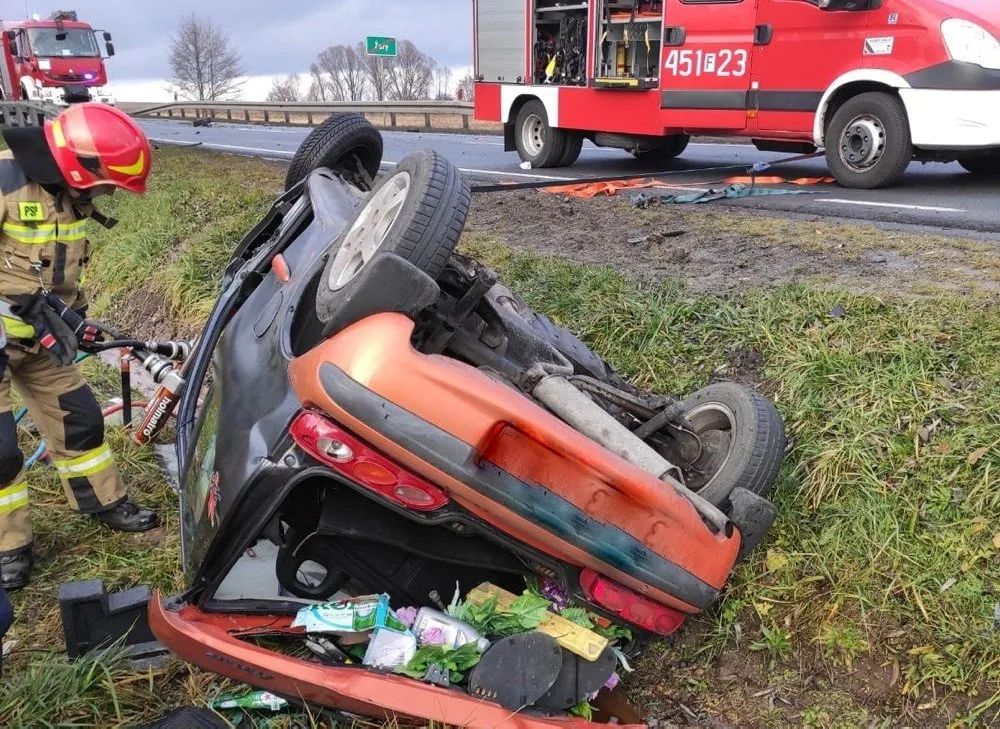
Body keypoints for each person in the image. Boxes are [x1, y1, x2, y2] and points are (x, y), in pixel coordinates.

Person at [0, 103, 158, 591]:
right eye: (106, 182)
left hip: (42, 340)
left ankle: (101, 501)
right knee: (1, 453)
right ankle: (9, 548)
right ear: (78, 165)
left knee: (81, 419)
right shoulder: (5, 182)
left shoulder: (66, 196)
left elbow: (58, 270)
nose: (108, 193)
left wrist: (75, 317)